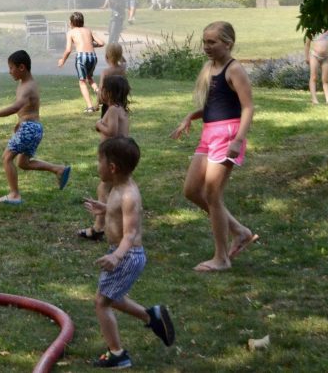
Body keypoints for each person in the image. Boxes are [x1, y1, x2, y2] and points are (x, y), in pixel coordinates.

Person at [169, 21, 258, 272]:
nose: (206, 47)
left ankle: (221, 258)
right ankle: (239, 231)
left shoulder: (235, 69)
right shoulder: (211, 68)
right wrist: (191, 115)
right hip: (209, 134)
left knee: (212, 195)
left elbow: (247, 107)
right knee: (191, 190)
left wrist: (238, 140)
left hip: (228, 135)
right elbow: (215, 104)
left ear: (227, 43)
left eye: (212, 42)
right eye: (204, 42)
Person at [83, 137, 175, 368]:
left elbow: (130, 233)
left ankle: (117, 354)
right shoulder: (119, 187)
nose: (97, 166)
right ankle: (151, 316)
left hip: (127, 255)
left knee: (102, 302)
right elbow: (117, 212)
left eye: (99, 161)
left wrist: (116, 256)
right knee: (112, 297)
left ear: (112, 168)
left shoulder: (129, 195)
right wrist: (104, 208)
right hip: (124, 253)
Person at [0, 49, 71, 203]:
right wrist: (19, 123)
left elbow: (15, 108)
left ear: (21, 68)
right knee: (23, 163)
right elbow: (28, 109)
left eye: (11, 68)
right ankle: (58, 169)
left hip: (30, 128)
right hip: (32, 127)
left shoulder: (27, 87)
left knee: (6, 158)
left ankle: (14, 194)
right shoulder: (25, 83)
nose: (9, 71)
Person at [80, 64, 131, 241]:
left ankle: (100, 226)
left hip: (114, 155)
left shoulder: (112, 110)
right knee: (114, 187)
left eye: (102, 90)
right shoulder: (121, 109)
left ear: (108, 93)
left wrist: (98, 124)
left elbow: (112, 131)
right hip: (119, 153)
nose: (99, 92)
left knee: (104, 187)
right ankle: (108, 223)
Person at [58, 11, 105, 113]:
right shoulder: (88, 30)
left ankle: (89, 107)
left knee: (82, 81)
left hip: (81, 57)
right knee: (89, 78)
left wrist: (62, 60)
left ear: (71, 23)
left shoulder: (70, 32)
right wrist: (91, 45)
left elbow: (68, 50)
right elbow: (101, 43)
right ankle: (99, 93)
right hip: (92, 56)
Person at [304, 28, 328, 106]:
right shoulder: (312, 30)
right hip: (314, 56)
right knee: (313, 77)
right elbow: (307, 44)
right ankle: (314, 99)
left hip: (326, 58)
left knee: (325, 80)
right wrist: (307, 57)